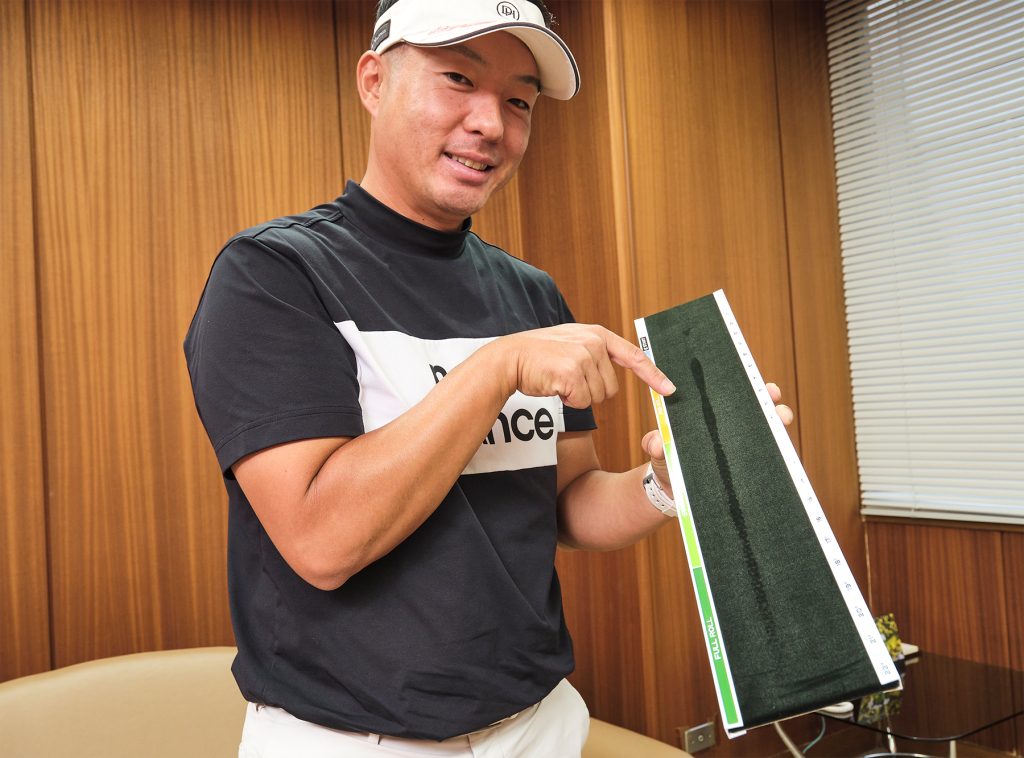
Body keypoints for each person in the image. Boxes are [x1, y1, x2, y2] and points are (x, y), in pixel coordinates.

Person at [184, 1, 793, 756]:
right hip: (355, 738)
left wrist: (668, 482)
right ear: (374, 82)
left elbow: (568, 502)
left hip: (537, 721)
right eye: (458, 80)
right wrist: (496, 368)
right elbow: (322, 542)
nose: (491, 124)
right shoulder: (274, 274)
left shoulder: (529, 294)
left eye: (518, 101)